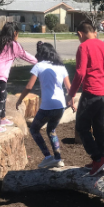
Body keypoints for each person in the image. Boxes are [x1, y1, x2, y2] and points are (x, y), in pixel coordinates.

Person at [68, 21, 104, 175]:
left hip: (90, 93)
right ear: (95, 32)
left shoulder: (83, 47)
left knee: (81, 127)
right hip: (102, 95)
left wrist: (71, 94)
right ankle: (100, 160)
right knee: (98, 127)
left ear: (80, 34)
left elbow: (80, 73)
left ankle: (98, 159)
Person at [16, 41, 71, 169]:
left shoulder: (39, 66)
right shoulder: (61, 66)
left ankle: (48, 157)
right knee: (51, 130)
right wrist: (72, 102)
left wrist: (20, 100)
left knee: (34, 129)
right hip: (60, 105)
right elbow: (69, 88)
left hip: (47, 106)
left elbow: (29, 86)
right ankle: (58, 158)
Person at [0, 22, 39, 136]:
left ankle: (3, 117)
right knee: (1, 99)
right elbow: (25, 55)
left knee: (2, 95)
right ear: (15, 33)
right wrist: (38, 62)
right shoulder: (13, 45)